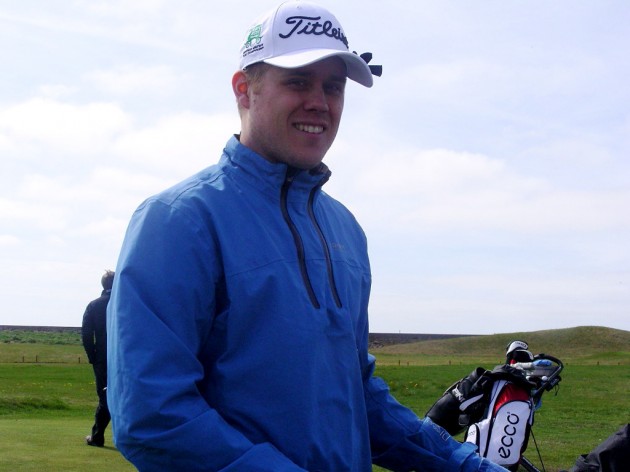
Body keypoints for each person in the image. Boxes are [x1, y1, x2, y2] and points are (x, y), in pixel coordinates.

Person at [107, 1, 507, 470]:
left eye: (333, 86)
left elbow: (359, 396)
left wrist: (467, 465)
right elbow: (153, 417)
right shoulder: (177, 221)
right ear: (244, 90)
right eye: (298, 81)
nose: (320, 101)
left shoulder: (346, 230)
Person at [81, 269, 114, 447]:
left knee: (105, 395)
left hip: (102, 357)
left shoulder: (94, 306)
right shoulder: (127, 303)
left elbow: (87, 335)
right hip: (127, 357)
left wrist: (92, 356)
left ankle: (97, 436)